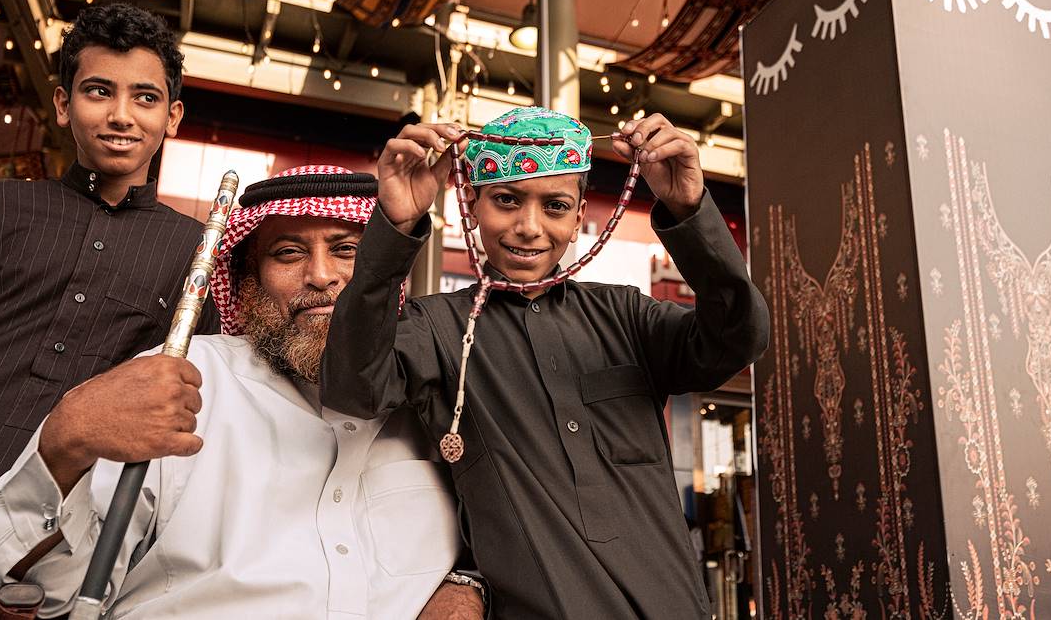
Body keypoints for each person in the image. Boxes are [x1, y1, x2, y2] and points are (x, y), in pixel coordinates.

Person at [0, 165, 485, 619]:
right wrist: (66, 445)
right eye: (289, 253)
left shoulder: (443, 393)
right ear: (247, 282)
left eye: (349, 251)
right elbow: (50, 595)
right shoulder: (183, 378)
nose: (323, 276)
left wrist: (469, 582)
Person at [320, 107, 770, 618]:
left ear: (579, 219)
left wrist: (690, 209)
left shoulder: (624, 314)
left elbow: (738, 338)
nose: (529, 227)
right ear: (471, 204)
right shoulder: (438, 327)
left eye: (554, 206)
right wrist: (395, 226)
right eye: (507, 201)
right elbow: (352, 389)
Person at [0, 3, 221, 618]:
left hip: (45, 517)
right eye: (99, 91)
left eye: (145, 98)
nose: (121, 115)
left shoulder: (196, 252)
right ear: (66, 104)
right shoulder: (0, 206)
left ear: (172, 116)